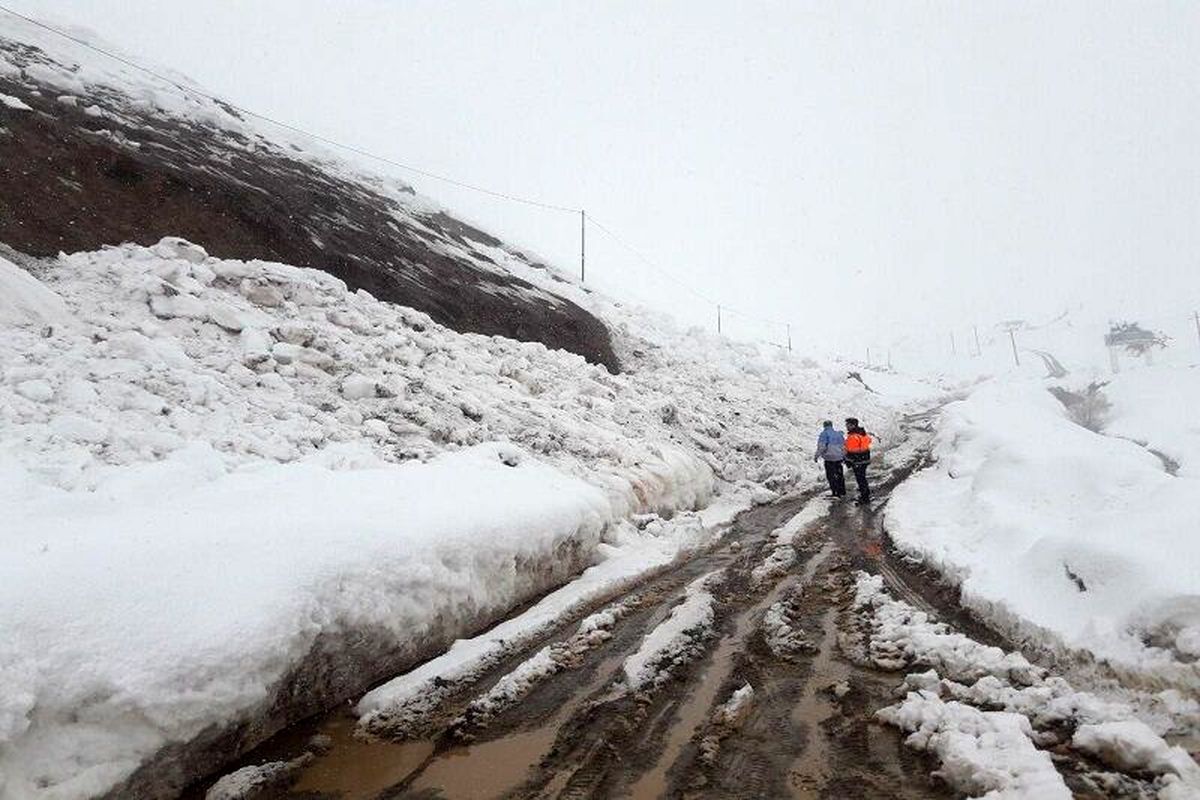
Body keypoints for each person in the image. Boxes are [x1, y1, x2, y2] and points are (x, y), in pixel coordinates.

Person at [813, 420, 846, 497]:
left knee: (831, 475)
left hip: (829, 458)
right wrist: (844, 456)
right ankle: (842, 490)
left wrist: (816, 456)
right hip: (839, 458)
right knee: (839, 474)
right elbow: (844, 447)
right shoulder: (838, 434)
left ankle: (835, 492)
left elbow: (822, 447)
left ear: (824, 426)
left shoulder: (824, 434)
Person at [844, 417, 873, 504]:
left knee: (860, 479)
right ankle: (865, 493)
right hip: (864, 459)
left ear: (853, 425)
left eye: (848, 425)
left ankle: (865, 498)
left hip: (858, 461)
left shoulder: (853, 436)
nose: (846, 426)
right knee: (862, 478)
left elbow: (850, 451)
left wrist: (848, 460)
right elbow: (869, 441)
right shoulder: (863, 433)